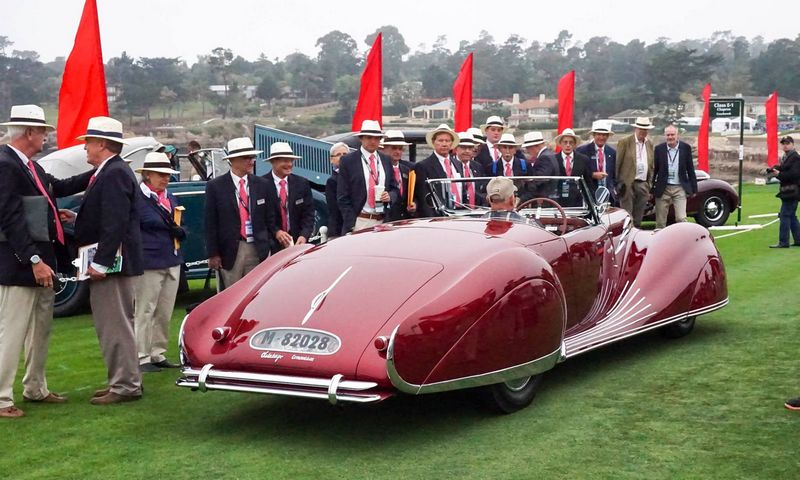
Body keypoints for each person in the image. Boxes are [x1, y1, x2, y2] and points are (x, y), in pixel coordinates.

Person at [0, 105, 94, 418]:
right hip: (20, 266)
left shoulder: (30, 167)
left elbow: (60, 187)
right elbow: (10, 219)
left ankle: (35, 387)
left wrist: (102, 168)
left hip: (43, 263)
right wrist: (34, 259)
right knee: (12, 331)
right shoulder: (6, 165)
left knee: (41, 329)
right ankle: (1, 398)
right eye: (42, 131)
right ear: (29, 132)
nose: (45, 137)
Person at [73, 116, 145, 405]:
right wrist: (77, 218)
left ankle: (125, 384)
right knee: (116, 323)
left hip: (113, 265)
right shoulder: (112, 171)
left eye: (88, 142)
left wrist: (101, 263)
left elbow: (115, 222)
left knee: (115, 324)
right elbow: (108, 217)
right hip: (115, 261)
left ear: (102, 144)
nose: (85, 148)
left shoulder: (113, 173)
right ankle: (123, 379)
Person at [132, 153, 184, 373]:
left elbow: (177, 223)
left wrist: (181, 231)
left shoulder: (170, 197)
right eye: (161, 174)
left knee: (164, 310)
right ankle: (141, 355)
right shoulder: (138, 198)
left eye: (167, 175)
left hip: (171, 257)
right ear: (147, 175)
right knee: (145, 309)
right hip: (149, 260)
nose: (165, 179)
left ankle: (157, 352)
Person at [205, 137, 274, 288]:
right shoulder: (215, 186)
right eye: (246, 158)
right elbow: (211, 222)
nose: (251, 161)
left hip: (256, 247)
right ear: (233, 160)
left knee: (255, 291)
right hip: (230, 249)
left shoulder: (262, 184)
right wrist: (213, 253)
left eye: (252, 157)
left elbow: (269, 218)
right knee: (232, 293)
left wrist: (268, 243)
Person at [337, 120, 399, 233]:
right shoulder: (348, 161)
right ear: (361, 139)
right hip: (360, 221)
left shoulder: (385, 160)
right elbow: (342, 196)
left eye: (376, 138)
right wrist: (352, 223)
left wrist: (390, 196)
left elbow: (394, 188)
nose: (373, 141)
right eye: (369, 138)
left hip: (382, 221)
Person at [262, 142, 315, 252]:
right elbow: (260, 216)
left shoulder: (302, 183)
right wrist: (276, 232)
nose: (290, 164)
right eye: (285, 161)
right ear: (273, 162)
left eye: (291, 161)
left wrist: (304, 235)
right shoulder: (260, 184)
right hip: (270, 246)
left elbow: (309, 214)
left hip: (297, 244)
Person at [652, 125, 698, 229]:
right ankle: (660, 238)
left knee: (681, 218)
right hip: (663, 188)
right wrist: (652, 188)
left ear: (677, 135)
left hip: (679, 187)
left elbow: (690, 169)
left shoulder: (686, 148)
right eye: (668, 135)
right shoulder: (659, 149)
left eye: (672, 134)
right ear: (665, 135)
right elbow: (655, 170)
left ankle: (682, 237)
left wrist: (694, 189)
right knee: (660, 221)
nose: (670, 137)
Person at [414, 123, 463, 217]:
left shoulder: (458, 164)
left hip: (460, 213)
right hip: (438, 216)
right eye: (440, 140)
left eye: (447, 141)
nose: (444, 144)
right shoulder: (423, 166)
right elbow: (423, 198)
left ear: (451, 143)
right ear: (433, 142)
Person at [616, 117, 655, 227]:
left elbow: (651, 166)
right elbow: (618, 163)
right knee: (627, 216)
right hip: (627, 184)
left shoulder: (649, 144)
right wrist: (617, 183)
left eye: (645, 129)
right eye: (641, 128)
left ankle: (635, 235)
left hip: (643, 184)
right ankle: (626, 235)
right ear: (636, 128)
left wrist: (649, 184)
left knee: (638, 216)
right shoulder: (625, 142)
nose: (643, 131)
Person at [767, 136, 800, 248]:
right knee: (791, 216)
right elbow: (785, 168)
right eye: (783, 143)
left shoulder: (795, 157)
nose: (785, 145)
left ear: (792, 144)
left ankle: (784, 242)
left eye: (787, 143)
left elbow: (794, 175)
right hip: (789, 191)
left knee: (784, 215)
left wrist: (779, 174)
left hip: (792, 191)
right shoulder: (787, 157)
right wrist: (774, 169)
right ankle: (798, 240)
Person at [577, 120, 617, 203]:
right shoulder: (582, 151)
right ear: (594, 135)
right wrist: (592, 175)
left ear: (608, 136)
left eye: (604, 135)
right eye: (598, 134)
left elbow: (614, 174)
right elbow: (578, 171)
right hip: (588, 193)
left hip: (607, 194)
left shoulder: (612, 152)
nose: (601, 138)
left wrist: (613, 188)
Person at [382, 130, 417, 221]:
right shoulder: (379, 169)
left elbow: (415, 194)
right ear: (384, 149)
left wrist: (414, 205)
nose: (398, 152)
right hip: (385, 219)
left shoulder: (407, 170)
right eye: (394, 148)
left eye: (400, 148)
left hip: (405, 220)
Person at [455, 132, 486, 208]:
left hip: (476, 210)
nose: (467, 151)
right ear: (456, 148)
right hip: (456, 210)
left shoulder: (478, 167)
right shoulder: (450, 165)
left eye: (470, 148)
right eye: (463, 147)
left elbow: (482, 190)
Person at [325, 142, 348, 239]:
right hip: (339, 229)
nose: (342, 157)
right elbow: (334, 210)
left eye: (345, 154)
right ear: (331, 159)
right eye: (338, 155)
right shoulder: (332, 181)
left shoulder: (355, 177)